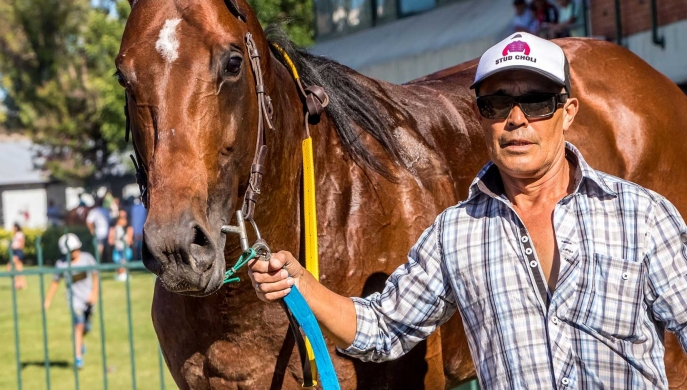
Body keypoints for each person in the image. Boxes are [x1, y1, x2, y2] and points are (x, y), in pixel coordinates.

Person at [250, 32, 687, 388]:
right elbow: (382, 330)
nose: (516, 119)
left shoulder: (642, 216)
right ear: (480, 117)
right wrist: (302, 283)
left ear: (567, 111)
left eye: (535, 101)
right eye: (496, 103)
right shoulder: (456, 234)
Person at [44, 233, 98, 370]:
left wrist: (94, 293)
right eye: (71, 251)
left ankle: (78, 342)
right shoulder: (61, 264)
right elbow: (55, 282)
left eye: (76, 249)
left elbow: (95, 275)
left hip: (88, 299)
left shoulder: (87, 259)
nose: (75, 253)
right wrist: (48, 300)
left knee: (86, 328)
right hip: (74, 301)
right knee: (79, 325)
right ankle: (78, 358)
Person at [108, 210, 133, 281]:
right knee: (118, 262)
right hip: (117, 248)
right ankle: (120, 275)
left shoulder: (128, 228)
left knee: (124, 261)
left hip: (125, 248)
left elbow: (130, 240)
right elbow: (111, 240)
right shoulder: (114, 228)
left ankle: (123, 275)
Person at [8, 223, 27, 290]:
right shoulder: (16, 234)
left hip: (17, 251)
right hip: (16, 251)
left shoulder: (19, 234)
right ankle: (23, 284)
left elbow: (21, 243)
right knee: (19, 268)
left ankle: (17, 283)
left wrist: (16, 247)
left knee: (10, 266)